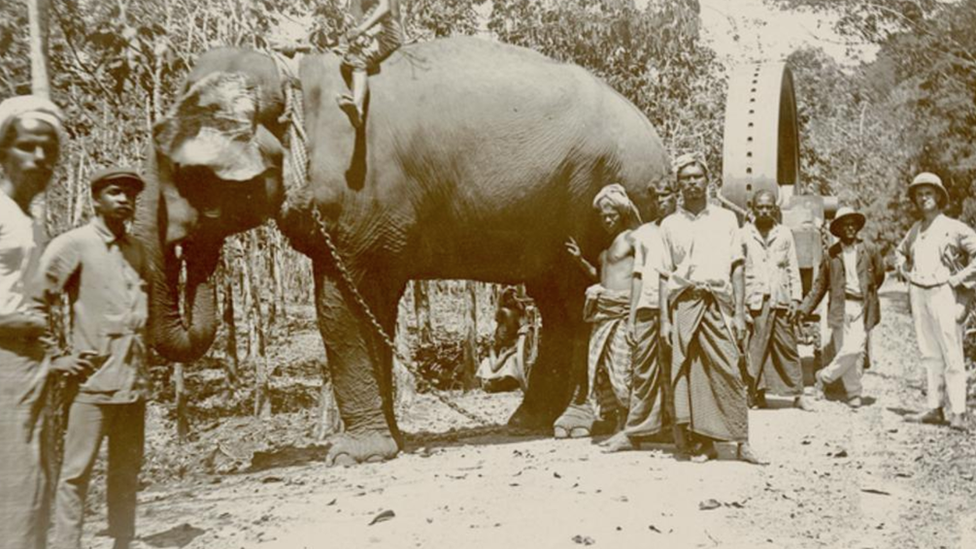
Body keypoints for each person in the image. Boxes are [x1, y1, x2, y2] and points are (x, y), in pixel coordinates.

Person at [41, 168, 150, 549]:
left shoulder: (137, 250)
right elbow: (33, 297)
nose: (125, 201)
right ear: (96, 199)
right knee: (76, 474)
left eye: (130, 196)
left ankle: (124, 540)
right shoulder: (74, 244)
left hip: (133, 385)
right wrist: (56, 356)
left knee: (126, 470)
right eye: (116, 193)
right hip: (91, 384)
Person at [0, 94, 89, 549]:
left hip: (28, 359)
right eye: (27, 146)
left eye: (48, 151)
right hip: (5, 356)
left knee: (33, 484)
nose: (39, 158)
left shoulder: (26, 219)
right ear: (2, 150)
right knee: (13, 488)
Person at [659, 153, 762, 464]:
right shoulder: (670, 224)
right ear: (678, 186)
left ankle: (742, 441)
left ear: (708, 180)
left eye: (697, 177)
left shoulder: (726, 219)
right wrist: (665, 320)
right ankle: (704, 442)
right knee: (691, 375)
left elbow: (738, 268)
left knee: (730, 370)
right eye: (685, 179)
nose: (692, 183)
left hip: (719, 304)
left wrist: (741, 312)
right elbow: (664, 275)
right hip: (685, 305)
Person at [557, 183, 641, 438]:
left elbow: (641, 274)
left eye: (611, 215)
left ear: (622, 214)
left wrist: (634, 317)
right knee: (603, 370)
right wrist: (580, 260)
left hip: (623, 313)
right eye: (603, 216)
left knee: (623, 370)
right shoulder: (607, 247)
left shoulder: (632, 238)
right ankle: (617, 424)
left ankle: (630, 427)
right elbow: (601, 277)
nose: (607, 220)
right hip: (604, 313)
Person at [896, 172, 976, 431]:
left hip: (944, 292)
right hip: (919, 292)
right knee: (929, 353)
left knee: (952, 352)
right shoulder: (916, 229)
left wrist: (959, 278)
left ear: (939, 196)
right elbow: (901, 251)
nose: (923, 198)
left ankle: (959, 412)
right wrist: (901, 264)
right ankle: (935, 407)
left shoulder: (953, 227)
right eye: (919, 194)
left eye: (928, 193)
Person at [601, 178, 676, 452]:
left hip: (677, 307)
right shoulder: (644, 233)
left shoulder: (684, 226)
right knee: (643, 372)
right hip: (647, 306)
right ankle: (635, 432)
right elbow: (638, 275)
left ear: (675, 196)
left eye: (665, 195)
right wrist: (632, 317)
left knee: (676, 369)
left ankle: (678, 429)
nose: (660, 202)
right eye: (655, 197)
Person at [797, 206, 885, 409]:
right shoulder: (832, 254)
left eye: (852, 224)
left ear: (857, 227)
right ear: (838, 229)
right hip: (839, 306)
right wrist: (804, 309)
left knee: (855, 348)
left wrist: (867, 293)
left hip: (862, 306)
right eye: (845, 225)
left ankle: (824, 376)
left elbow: (879, 275)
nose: (850, 228)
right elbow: (820, 286)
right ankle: (854, 393)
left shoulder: (869, 249)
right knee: (846, 350)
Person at [741, 190, 811, 411]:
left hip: (780, 299)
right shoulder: (743, 234)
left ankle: (798, 395)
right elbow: (737, 271)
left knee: (787, 347)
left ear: (774, 208)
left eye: (768, 207)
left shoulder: (784, 234)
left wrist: (796, 299)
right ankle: (756, 394)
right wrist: (740, 305)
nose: (764, 211)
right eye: (760, 207)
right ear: (752, 208)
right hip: (754, 300)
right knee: (755, 349)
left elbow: (792, 268)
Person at [336, 0, 403, 128]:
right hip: (377, 30)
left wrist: (360, 29)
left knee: (358, 58)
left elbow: (385, 7)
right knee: (348, 58)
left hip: (388, 33)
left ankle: (358, 107)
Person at [477, 288, 529, 392]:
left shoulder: (514, 313)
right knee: (497, 362)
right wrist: (507, 353)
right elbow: (495, 367)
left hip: (510, 345)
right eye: (508, 298)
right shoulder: (493, 345)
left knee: (512, 360)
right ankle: (497, 384)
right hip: (503, 349)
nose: (511, 300)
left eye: (513, 298)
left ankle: (501, 384)